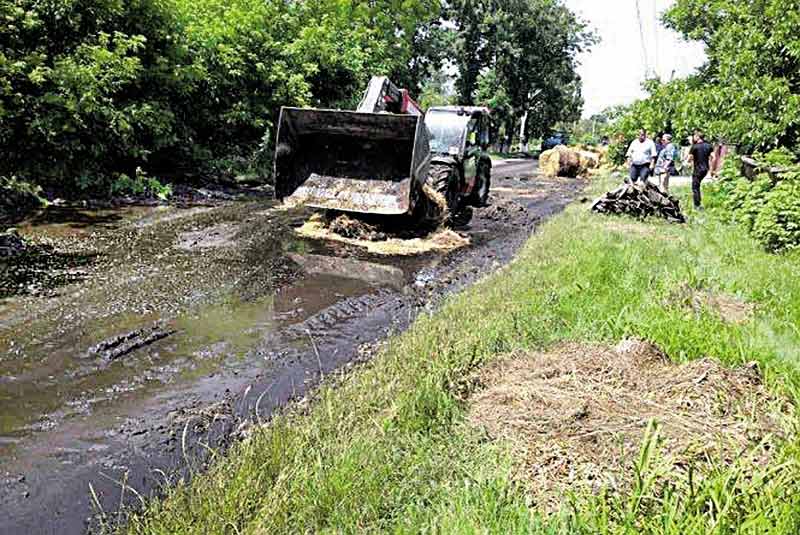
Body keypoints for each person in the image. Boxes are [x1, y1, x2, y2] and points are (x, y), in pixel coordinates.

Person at [688, 130, 715, 209]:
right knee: (697, 185)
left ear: (697, 137)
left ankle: (697, 205)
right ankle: (698, 202)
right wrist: (712, 169)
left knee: (695, 187)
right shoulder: (709, 146)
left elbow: (689, 159)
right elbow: (713, 157)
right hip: (705, 169)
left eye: (694, 136)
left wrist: (689, 161)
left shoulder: (694, 147)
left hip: (697, 169)